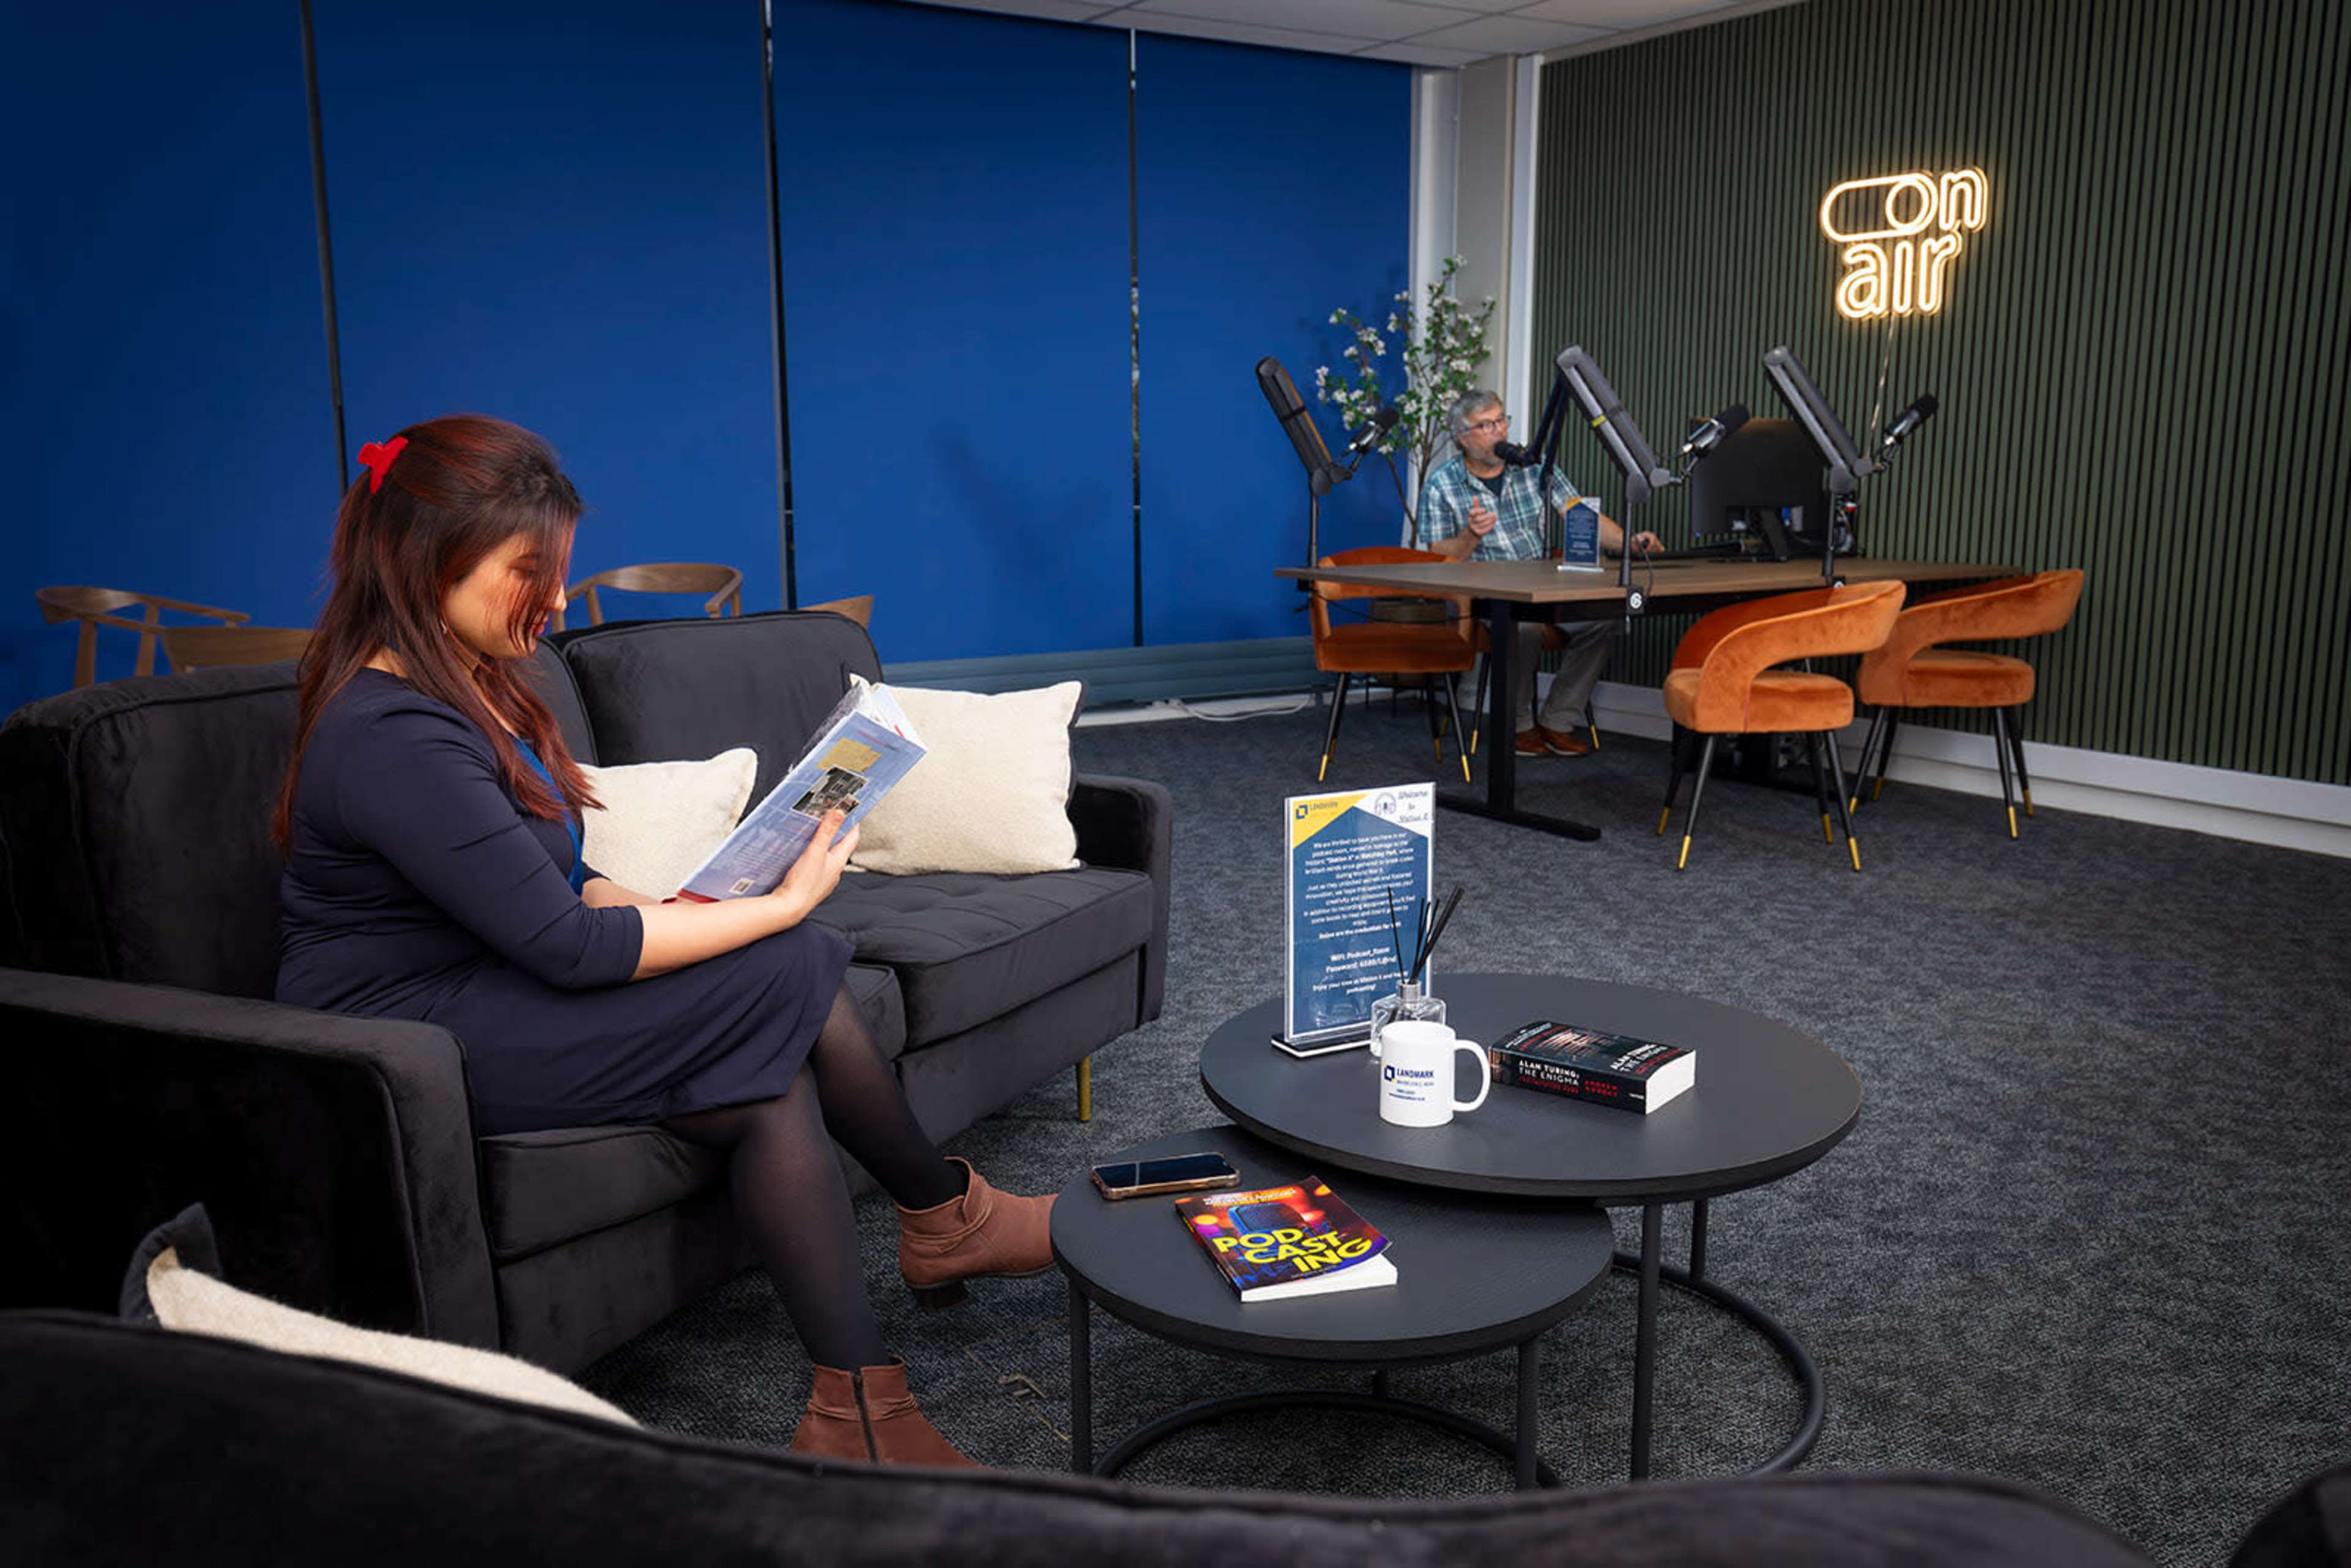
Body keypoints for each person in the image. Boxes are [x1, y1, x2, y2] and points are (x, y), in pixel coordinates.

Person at [273, 415, 1048, 1468]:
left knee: (765, 1073)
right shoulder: (389, 732)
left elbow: (555, 882)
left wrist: (673, 903)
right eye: (526, 573)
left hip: (485, 981)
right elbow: (567, 949)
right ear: (424, 560)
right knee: (783, 971)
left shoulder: (460, 685)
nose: (551, 601)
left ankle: (860, 1410)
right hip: (403, 1042)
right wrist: (779, 904)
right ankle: (945, 1223)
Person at [1419, 389, 1661, 757]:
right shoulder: (1441, 484)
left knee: (1606, 618)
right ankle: (1518, 726)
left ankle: (1557, 721)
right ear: (1462, 438)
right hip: (1484, 597)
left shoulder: (1535, 467)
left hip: (1543, 588)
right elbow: (1437, 555)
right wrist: (1471, 535)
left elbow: (1581, 516)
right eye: (1486, 425)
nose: (1498, 431)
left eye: (1501, 420)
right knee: (1523, 626)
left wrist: (1630, 544)